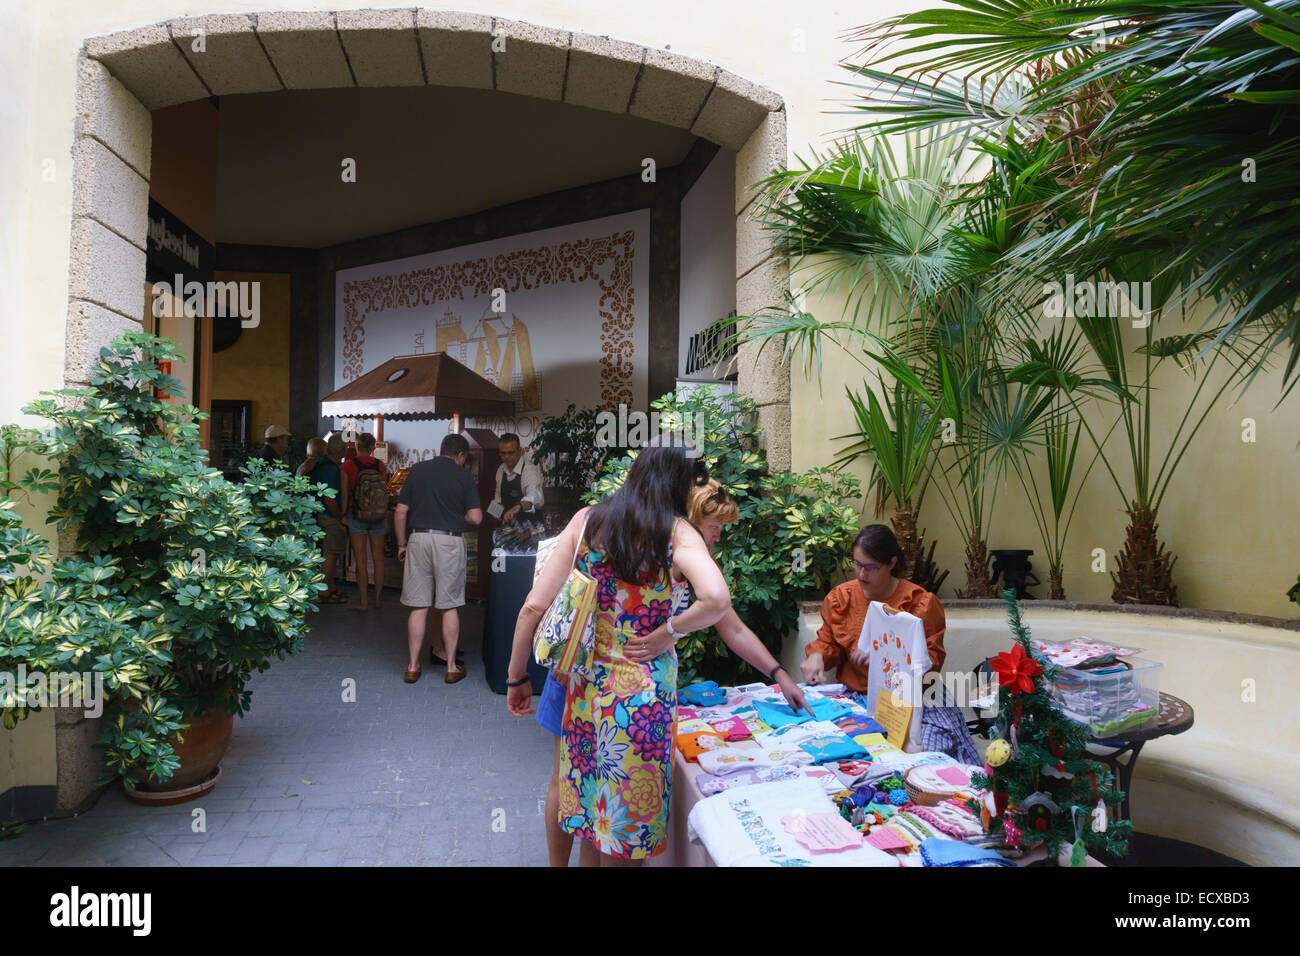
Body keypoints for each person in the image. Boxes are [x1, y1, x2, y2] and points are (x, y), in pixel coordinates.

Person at [523, 478, 814, 867]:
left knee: (596, 806)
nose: (718, 538)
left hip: (609, 689)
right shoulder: (649, 544)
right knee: (571, 788)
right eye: (715, 528)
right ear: (691, 522)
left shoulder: (684, 558)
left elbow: (732, 627)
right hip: (577, 671)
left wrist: (778, 672)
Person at [505, 437, 731, 867]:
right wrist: (669, 631)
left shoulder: (589, 521)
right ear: (683, 482)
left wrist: (516, 677)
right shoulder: (678, 532)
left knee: (592, 817)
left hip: (587, 691)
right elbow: (717, 599)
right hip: (642, 699)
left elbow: (533, 606)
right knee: (621, 831)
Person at [800, 524, 980, 764]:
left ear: (892, 563)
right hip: (858, 699)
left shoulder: (919, 603)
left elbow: (930, 666)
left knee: (921, 759)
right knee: (839, 754)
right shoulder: (841, 598)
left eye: (871, 567)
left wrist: (887, 663)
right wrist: (817, 656)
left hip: (914, 702)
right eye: (857, 564)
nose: (862, 574)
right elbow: (828, 641)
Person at [394, 432, 482, 684]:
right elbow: (476, 518)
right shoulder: (463, 476)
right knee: (449, 605)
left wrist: (402, 544)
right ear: (461, 455)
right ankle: (451, 667)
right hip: (449, 541)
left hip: (418, 539)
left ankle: (412, 666)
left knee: (419, 606)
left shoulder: (417, 470)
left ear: (441, 449)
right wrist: (457, 517)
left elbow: (400, 512)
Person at [298, 435, 349, 604]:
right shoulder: (331, 469)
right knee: (331, 554)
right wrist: (340, 517)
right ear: (342, 450)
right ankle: (324, 591)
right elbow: (329, 499)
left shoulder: (319, 464)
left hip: (314, 515)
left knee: (328, 554)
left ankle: (330, 587)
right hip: (328, 516)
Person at [341, 433, 389, 611]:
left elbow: (345, 494)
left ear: (356, 446)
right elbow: (382, 493)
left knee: (360, 560)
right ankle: (377, 599)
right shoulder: (380, 465)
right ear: (372, 448)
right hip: (378, 516)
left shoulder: (348, 466)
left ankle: (363, 602)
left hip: (357, 515)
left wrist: (343, 514)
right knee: (378, 559)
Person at [491, 432, 544, 523]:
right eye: (503, 453)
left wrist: (518, 507)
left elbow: (534, 495)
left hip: (531, 527)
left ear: (519, 451)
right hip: (509, 527)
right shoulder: (501, 469)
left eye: (511, 453)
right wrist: (495, 511)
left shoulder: (529, 470)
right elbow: (498, 498)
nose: (506, 457)